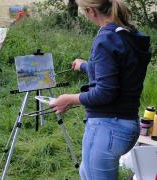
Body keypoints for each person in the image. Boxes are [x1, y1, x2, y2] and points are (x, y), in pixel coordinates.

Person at [50, 0, 151, 179]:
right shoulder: (129, 35)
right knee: (85, 172)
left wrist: (70, 98)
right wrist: (85, 66)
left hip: (108, 127)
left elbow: (105, 92)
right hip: (128, 125)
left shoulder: (105, 39)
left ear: (90, 11)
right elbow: (121, 72)